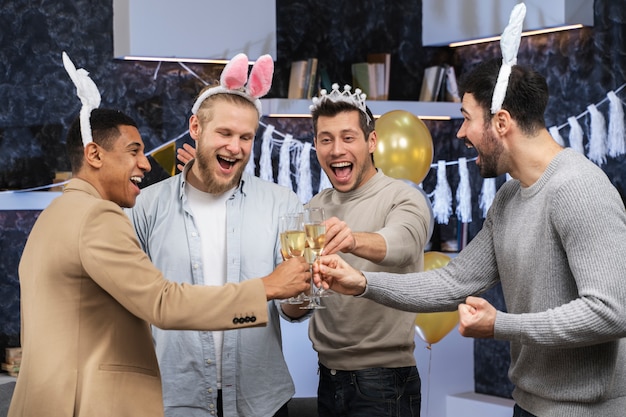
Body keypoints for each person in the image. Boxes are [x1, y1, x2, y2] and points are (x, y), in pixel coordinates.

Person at [314, 58, 626, 417]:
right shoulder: (509, 198)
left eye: (466, 118)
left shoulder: (579, 187)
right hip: (528, 405)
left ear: (501, 122)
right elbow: (454, 281)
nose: (461, 133)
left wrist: (500, 325)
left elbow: (612, 311)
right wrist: (362, 283)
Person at [8, 107, 310, 417]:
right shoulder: (99, 216)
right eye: (134, 151)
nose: (145, 162)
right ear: (95, 155)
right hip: (87, 402)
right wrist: (265, 288)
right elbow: (163, 303)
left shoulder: (54, 214)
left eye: (246, 136)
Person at [127, 53, 310, 417]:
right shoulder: (144, 206)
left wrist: (306, 289)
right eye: (224, 133)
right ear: (195, 127)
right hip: (174, 398)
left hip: (261, 399)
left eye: (246, 137)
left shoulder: (282, 203)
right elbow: (132, 304)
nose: (236, 147)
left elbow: (293, 310)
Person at [307, 84, 431, 417]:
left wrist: (352, 240)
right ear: (316, 145)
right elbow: (303, 299)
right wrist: (292, 295)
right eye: (326, 139)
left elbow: (403, 243)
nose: (336, 150)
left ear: (371, 142)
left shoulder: (402, 197)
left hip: (385, 381)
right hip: (327, 375)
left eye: (348, 138)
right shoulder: (314, 206)